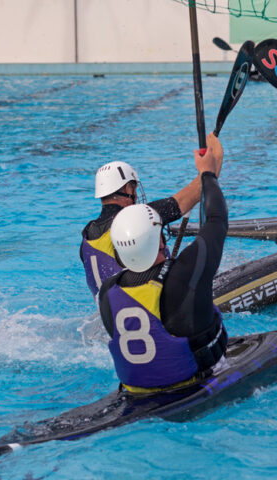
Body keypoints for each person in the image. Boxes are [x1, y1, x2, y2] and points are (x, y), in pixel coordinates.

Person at [97, 146, 228, 393]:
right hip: (195, 381)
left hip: (135, 391)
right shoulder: (186, 272)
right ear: (159, 240)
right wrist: (208, 174)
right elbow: (217, 221)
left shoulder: (107, 292)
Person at [80, 133, 224, 298]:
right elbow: (196, 192)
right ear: (128, 189)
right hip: (154, 305)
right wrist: (216, 160)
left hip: (112, 313)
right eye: (133, 188)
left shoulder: (87, 234)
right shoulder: (139, 219)